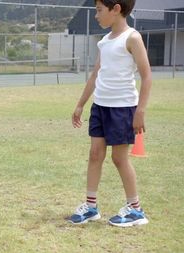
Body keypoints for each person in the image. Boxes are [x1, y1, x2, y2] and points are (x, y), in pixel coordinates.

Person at [69, 0, 151, 227]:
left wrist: (140, 111)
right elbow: (96, 75)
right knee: (95, 154)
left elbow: (146, 76)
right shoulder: (104, 42)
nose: (96, 15)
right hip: (100, 107)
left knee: (119, 158)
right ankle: (91, 207)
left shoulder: (132, 38)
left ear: (116, 9)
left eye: (99, 10)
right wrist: (80, 104)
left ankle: (136, 210)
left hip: (123, 109)